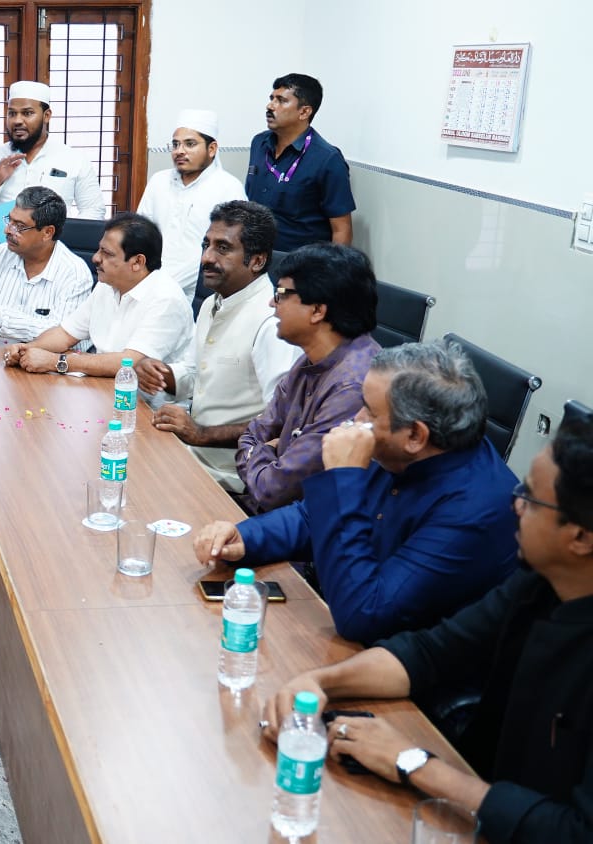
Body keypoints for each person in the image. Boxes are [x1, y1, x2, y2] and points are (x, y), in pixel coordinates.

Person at [261, 415, 593, 843]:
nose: (515, 505)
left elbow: (576, 833)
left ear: (582, 537)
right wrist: (319, 682)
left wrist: (413, 762)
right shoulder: (537, 585)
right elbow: (431, 652)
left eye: (530, 497)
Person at [193, 341, 520, 643]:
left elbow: (364, 616)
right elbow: (310, 518)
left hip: (406, 677)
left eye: (369, 411)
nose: (355, 420)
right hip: (339, 613)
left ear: (416, 436)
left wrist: (343, 476)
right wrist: (246, 537)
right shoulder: (400, 451)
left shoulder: (475, 509)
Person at [136, 201, 299, 492]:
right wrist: (159, 373)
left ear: (257, 261)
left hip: (234, 476)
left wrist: (202, 434)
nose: (206, 258)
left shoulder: (271, 322)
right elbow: (193, 372)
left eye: (222, 248)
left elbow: (281, 422)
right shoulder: (214, 302)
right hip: (192, 455)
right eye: (206, 245)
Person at [235, 242, 380, 512]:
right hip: (266, 515)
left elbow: (274, 490)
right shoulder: (310, 358)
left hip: (303, 536)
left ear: (317, 311)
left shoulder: (354, 386)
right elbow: (252, 434)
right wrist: (271, 451)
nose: (271, 302)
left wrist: (264, 451)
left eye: (280, 294)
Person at [4, 212, 193, 376]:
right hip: (103, 386)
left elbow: (131, 363)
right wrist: (26, 349)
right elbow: (65, 333)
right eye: (98, 249)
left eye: (107, 253)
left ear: (137, 262)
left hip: (149, 407)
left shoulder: (165, 298)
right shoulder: (107, 285)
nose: (95, 258)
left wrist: (57, 362)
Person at [0, 80, 105, 250]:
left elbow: (94, 211)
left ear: (47, 115)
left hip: (53, 261)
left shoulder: (73, 159)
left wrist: (60, 241)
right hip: (2, 261)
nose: (17, 121)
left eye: (27, 113)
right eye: (12, 113)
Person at [0, 186, 95, 351]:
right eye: (10, 220)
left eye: (19, 226)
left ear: (47, 232)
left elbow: (65, 336)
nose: (7, 230)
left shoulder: (75, 273)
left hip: (51, 370)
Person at [136, 109, 246, 299]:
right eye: (176, 144)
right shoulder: (158, 181)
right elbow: (139, 233)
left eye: (190, 144)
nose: (179, 151)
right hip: (147, 283)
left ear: (211, 149)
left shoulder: (229, 189)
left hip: (199, 292)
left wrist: (163, 285)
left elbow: (225, 253)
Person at [245, 73, 355, 251]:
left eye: (281, 100)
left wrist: (330, 274)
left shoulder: (327, 159)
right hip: (255, 257)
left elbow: (342, 230)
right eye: (272, 98)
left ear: (304, 112)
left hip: (300, 266)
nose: (270, 106)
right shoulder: (259, 143)